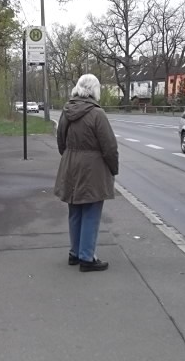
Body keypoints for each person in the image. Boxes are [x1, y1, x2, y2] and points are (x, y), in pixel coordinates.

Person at [54, 74, 119, 272]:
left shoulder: (67, 111)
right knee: (91, 211)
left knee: (74, 211)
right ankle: (87, 257)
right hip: (93, 168)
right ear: (94, 90)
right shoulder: (97, 114)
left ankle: (74, 253)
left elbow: (60, 139)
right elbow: (109, 146)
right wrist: (113, 168)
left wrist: (69, 156)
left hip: (71, 164)